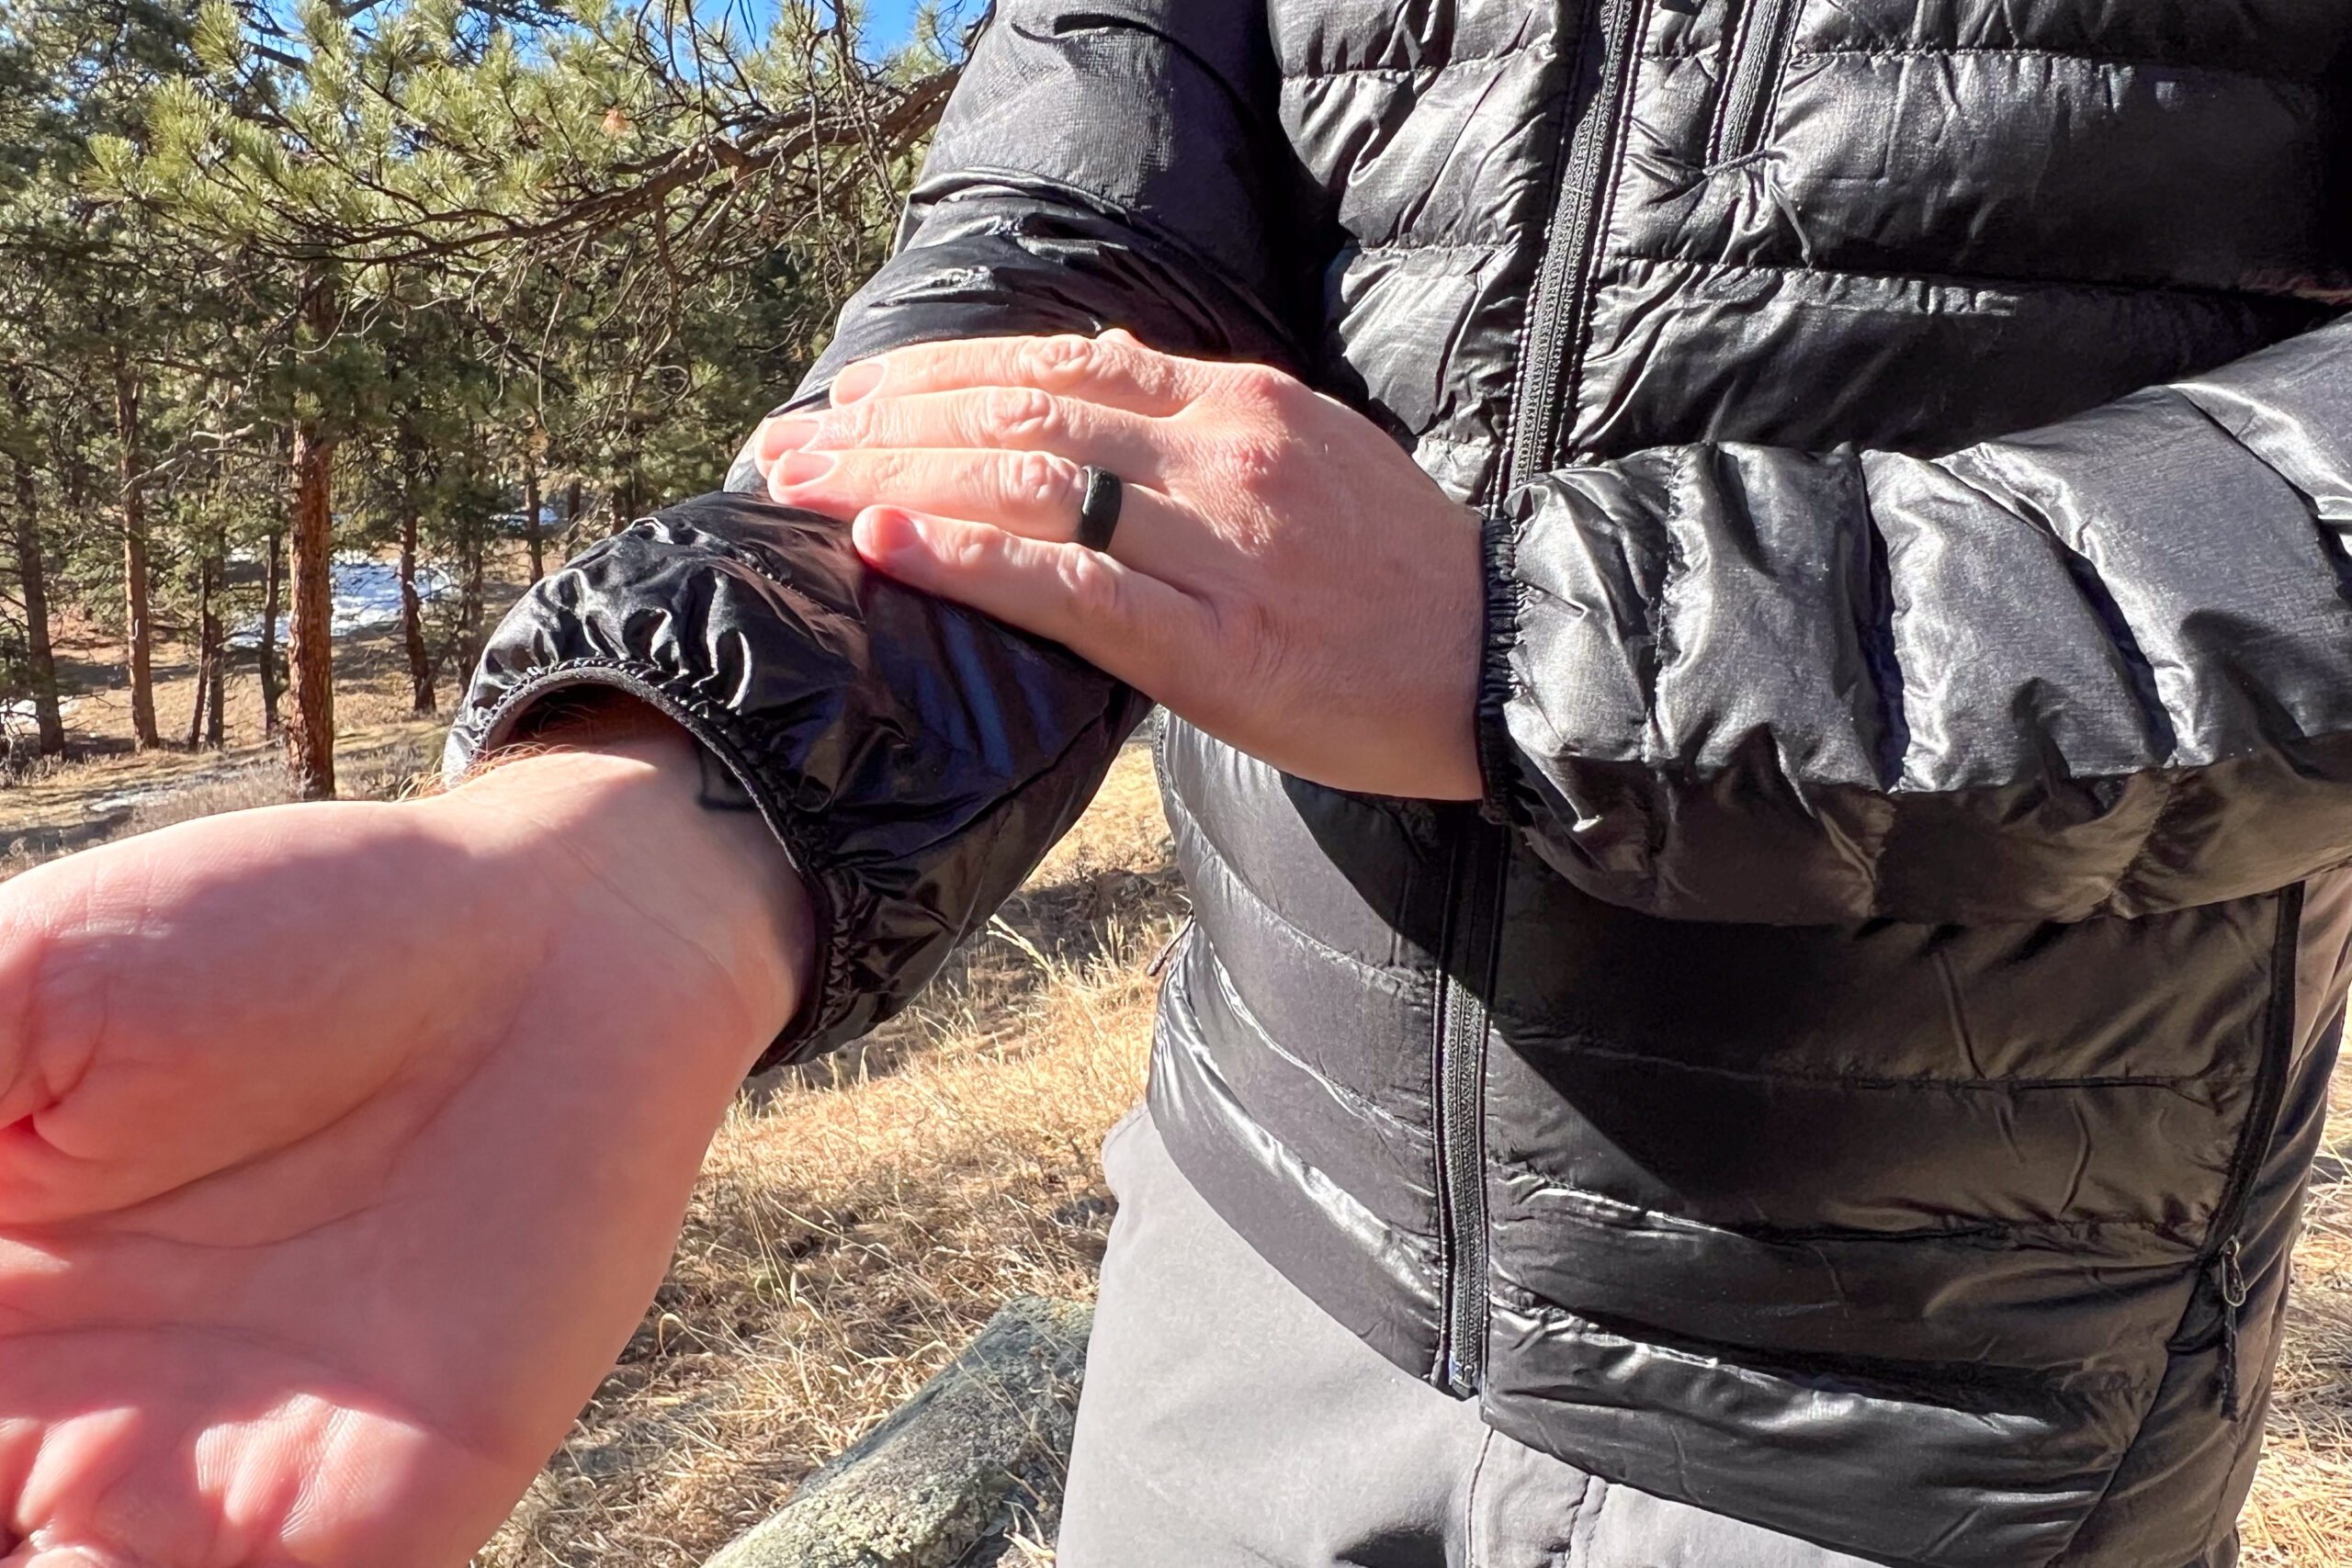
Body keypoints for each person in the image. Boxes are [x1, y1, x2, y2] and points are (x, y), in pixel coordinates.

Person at [4, 1, 2351, 1563]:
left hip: (1921, 1390)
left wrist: (1555, 634)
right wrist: (645, 824)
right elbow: (1065, 247)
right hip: (1239, 1245)